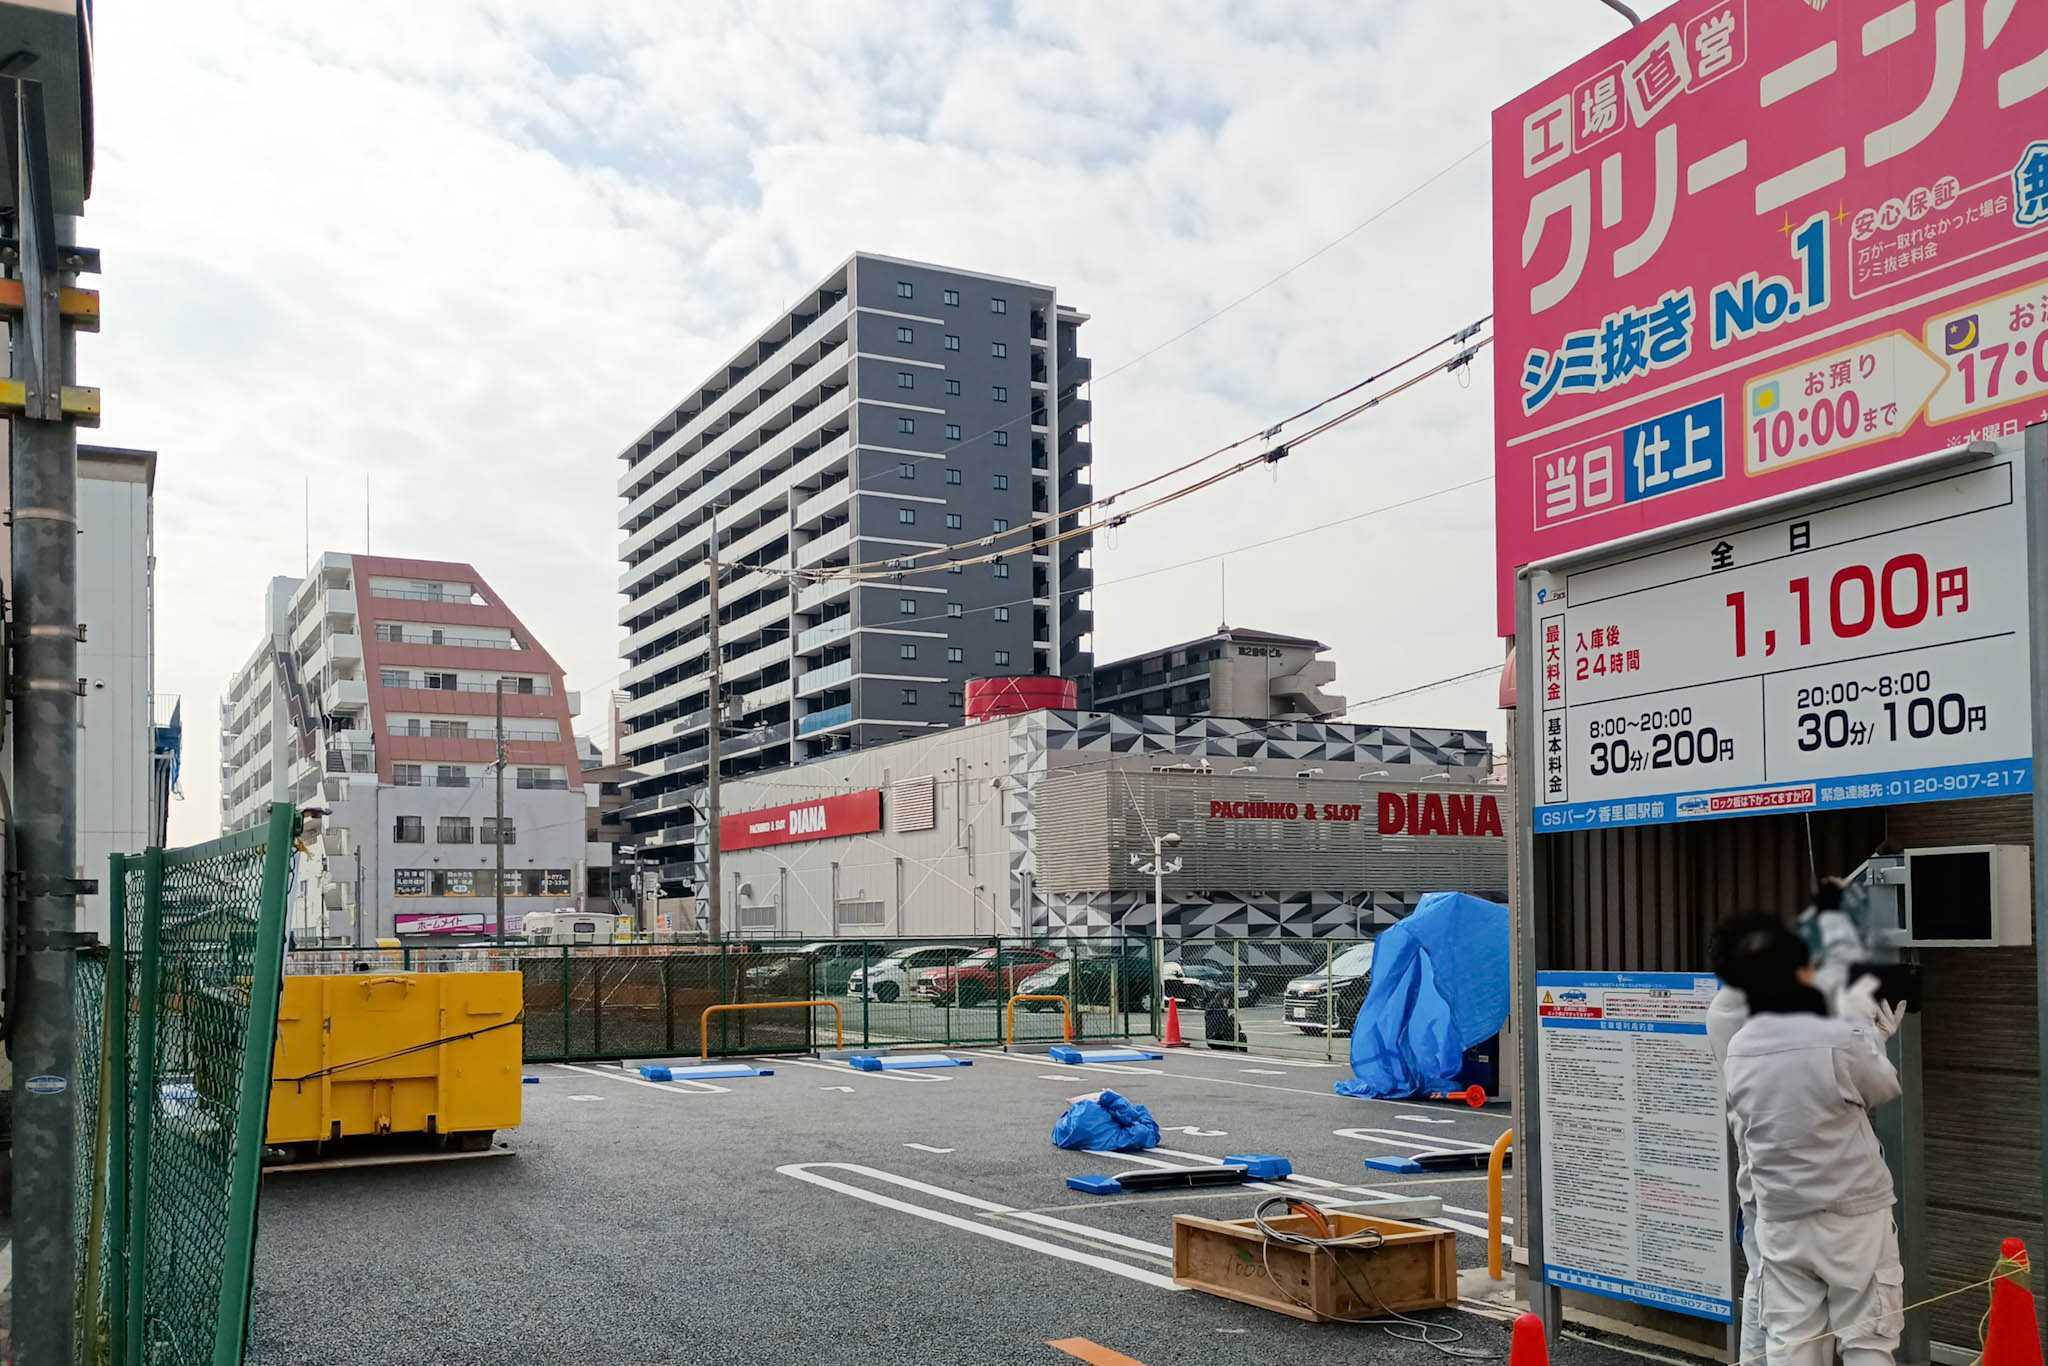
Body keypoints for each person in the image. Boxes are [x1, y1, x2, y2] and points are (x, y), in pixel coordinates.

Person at [1721, 917, 1905, 1366]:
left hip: (1782, 1216)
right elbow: (1882, 1086)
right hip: (1853, 1210)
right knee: (1867, 1339)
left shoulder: (1739, 1045)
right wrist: (1870, 1032)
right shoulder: (1837, 1033)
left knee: (1793, 1344)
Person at [1707, 914, 1772, 1365]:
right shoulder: (1750, 1015)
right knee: (1774, 1290)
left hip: (1758, 1171)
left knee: (1763, 1280)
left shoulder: (1726, 1007)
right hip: (1778, 1174)